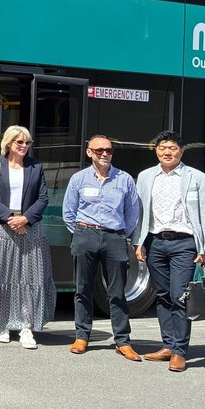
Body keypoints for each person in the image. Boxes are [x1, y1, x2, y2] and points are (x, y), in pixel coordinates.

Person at [133, 131, 205, 374]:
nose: (167, 152)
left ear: (181, 150)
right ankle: (168, 345)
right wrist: (138, 243)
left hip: (185, 243)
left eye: (172, 148)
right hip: (155, 242)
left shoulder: (196, 177)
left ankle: (180, 350)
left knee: (180, 295)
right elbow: (140, 212)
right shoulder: (146, 176)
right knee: (162, 295)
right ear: (156, 151)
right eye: (162, 148)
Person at [62, 134, 142, 361]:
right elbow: (69, 212)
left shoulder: (124, 179)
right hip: (85, 234)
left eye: (108, 150)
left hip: (114, 237)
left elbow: (132, 214)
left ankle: (123, 341)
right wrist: (81, 233)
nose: (105, 154)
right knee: (83, 289)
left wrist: (120, 236)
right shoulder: (78, 179)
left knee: (117, 292)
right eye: (99, 150)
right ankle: (82, 336)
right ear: (89, 153)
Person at [0, 125, 55, 349]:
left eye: (26, 142)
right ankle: (2, 326)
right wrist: (10, 218)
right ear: (9, 143)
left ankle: (26, 327)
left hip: (30, 229)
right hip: (3, 229)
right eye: (19, 142)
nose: (23, 146)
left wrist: (25, 219)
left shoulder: (36, 167)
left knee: (29, 280)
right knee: (3, 277)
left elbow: (43, 198)